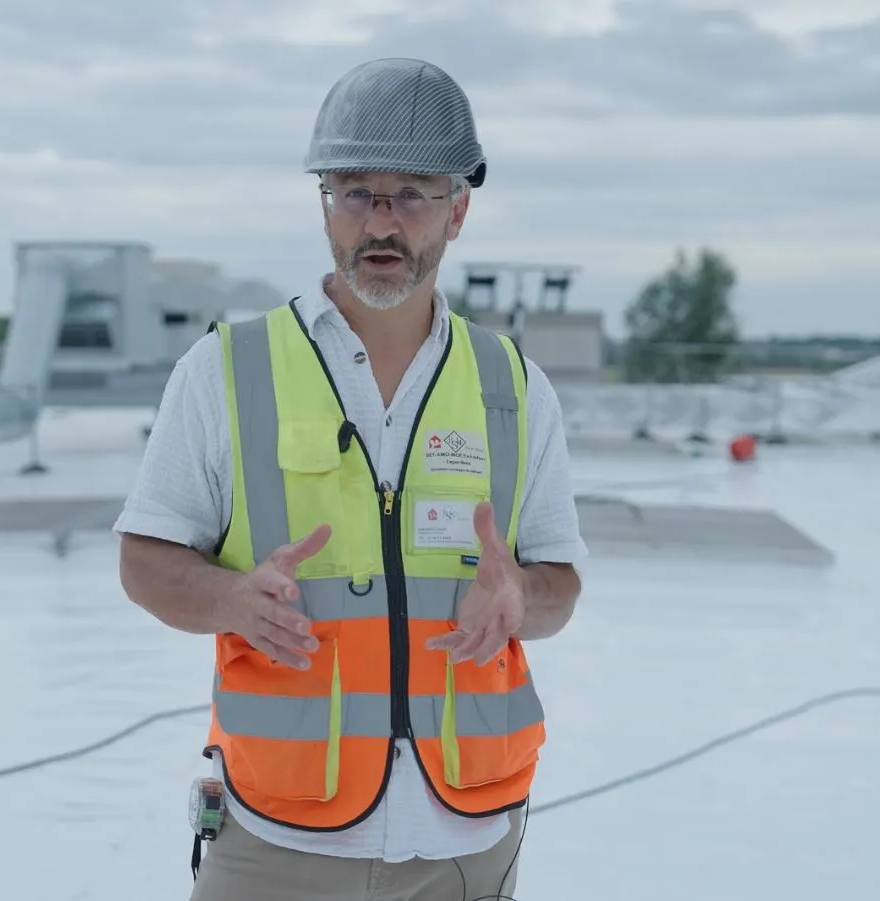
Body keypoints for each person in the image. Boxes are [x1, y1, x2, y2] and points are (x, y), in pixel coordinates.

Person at [114, 57, 588, 901]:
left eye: (411, 193)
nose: (381, 219)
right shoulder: (226, 369)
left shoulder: (511, 385)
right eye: (353, 191)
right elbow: (145, 561)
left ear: (458, 209)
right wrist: (228, 600)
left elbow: (558, 587)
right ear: (323, 204)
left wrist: (521, 592)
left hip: (469, 839)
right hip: (273, 836)